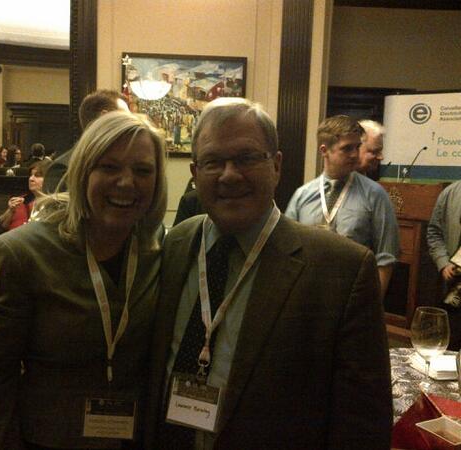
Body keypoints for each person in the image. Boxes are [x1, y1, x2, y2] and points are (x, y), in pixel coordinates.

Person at [144, 98, 391, 450]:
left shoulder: (342, 270)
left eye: (246, 158)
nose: (229, 174)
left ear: (276, 166)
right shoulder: (176, 244)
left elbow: (362, 425)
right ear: (195, 174)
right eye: (213, 162)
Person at [0, 110, 168, 449]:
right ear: (83, 172)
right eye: (109, 167)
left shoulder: (159, 248)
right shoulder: (20, 253)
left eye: (142, 170)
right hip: (48, 440)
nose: (126, 182)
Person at [285, 115, 399, 301]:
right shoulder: (302, 196)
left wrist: (372, 307)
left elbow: (386, 258)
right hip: (307, 295)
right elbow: (288, 250)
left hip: (353, 296)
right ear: (324, 150)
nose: (354, 154)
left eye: (357, 147)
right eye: (347, 148)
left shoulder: (375, 195)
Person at [43, 89, 130, 194]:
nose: (130, 123)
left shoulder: (126, 163)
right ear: (104, 117)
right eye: (125, 118)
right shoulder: (63, 168)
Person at [427, 180, 461, 350]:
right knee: (450, 347)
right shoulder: (450, 193)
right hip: (453, 289)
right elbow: (434, 232)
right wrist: (443, 262)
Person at [0, 160, 51, 234]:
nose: (31, 179)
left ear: (49, 179)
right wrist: (10, 211)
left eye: (37, 176)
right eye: (31, 175)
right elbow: (0, 227)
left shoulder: (55, 205)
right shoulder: (21, 201)